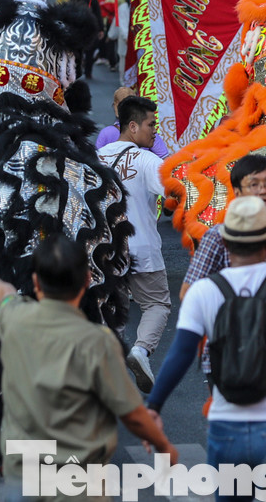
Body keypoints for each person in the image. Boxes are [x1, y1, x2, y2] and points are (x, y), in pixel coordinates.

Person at [0, 235, 177, 497]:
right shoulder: (98, 342)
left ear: (35, 282)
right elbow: (132, 414)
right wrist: (163, 445)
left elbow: (4, 293)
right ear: (88, 280)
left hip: (22, 476)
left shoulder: (15, 317)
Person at [146, 197, 266, 495]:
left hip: (226, 426)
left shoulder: (203, 292)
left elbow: (181, 354)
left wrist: (154, 406)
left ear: (225, 244)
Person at [97, 96, 169, 392]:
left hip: (103, 252)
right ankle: (141, 350)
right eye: (151, 124)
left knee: (114, 310)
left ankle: (104, 374)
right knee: (157, 304)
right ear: (132, 125)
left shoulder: (95, 160)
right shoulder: (148, 160)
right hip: (142, 249)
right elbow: (174, 193)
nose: (155, 131)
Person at [179, 155, 266, 300]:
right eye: (254, 184)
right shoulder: (217, 237)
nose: (263, 190)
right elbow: (189, 293)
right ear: (237, 192)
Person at [94, 87, 168, 157]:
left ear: (114, 106)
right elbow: (164, 156)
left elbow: (96, 160)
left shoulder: (106, 132)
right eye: (151, 125)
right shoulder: (148, 132)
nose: (154, 130)